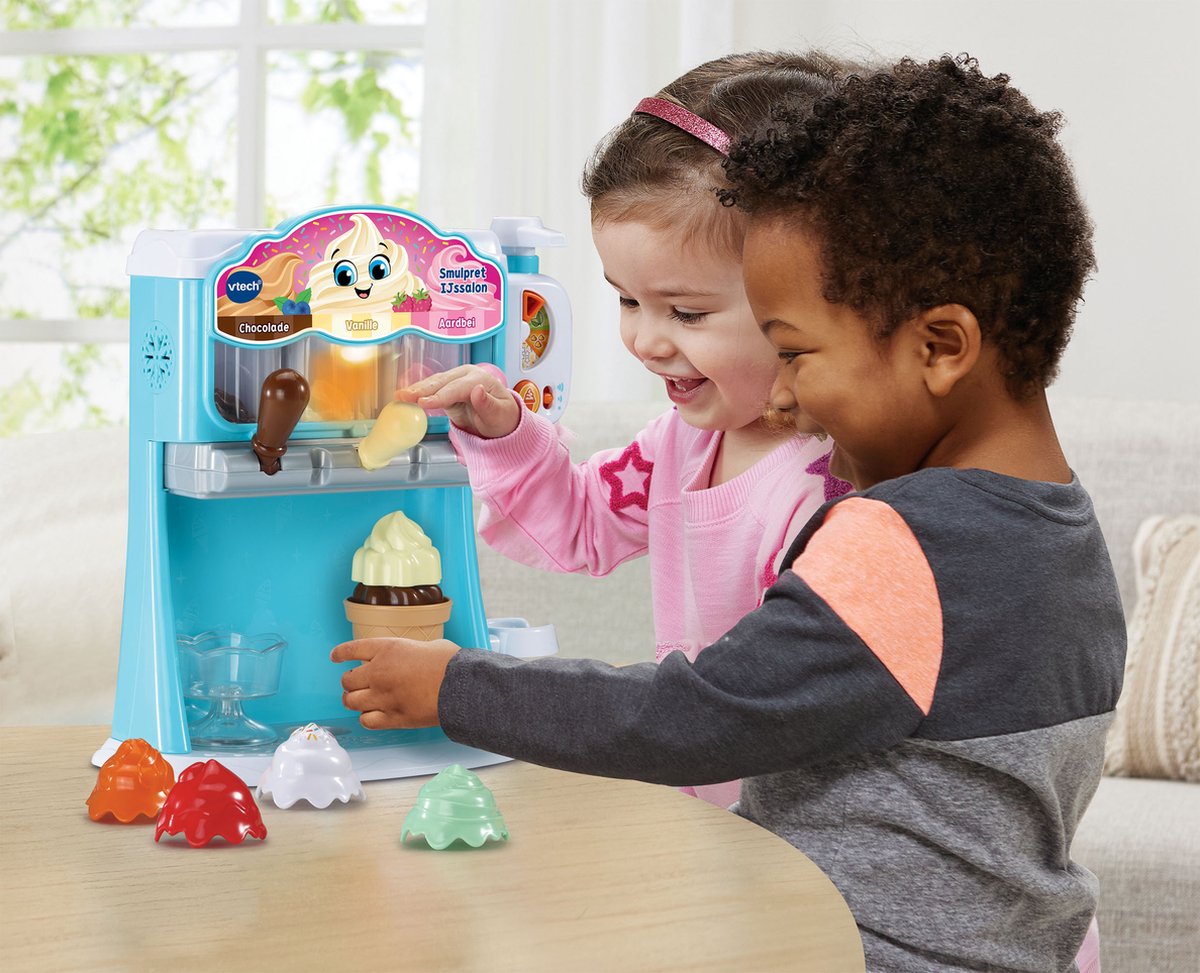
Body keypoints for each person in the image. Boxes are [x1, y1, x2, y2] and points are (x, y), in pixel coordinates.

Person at [334, 54, 1125, 971]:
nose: (786, 398)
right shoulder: (1062, 536)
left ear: (941, 346)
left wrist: (458, 687)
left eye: (796, 352)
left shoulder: (891, 538)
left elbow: (696, 714)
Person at [396, 52, 852, 809]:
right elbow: (581, 523)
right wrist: (507, 431)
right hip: (714, 825)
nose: (644, 341)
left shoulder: (828, 491)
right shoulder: (681, 441)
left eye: (686, 312)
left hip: (799, 838)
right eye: (626, 301)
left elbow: (783, 703)